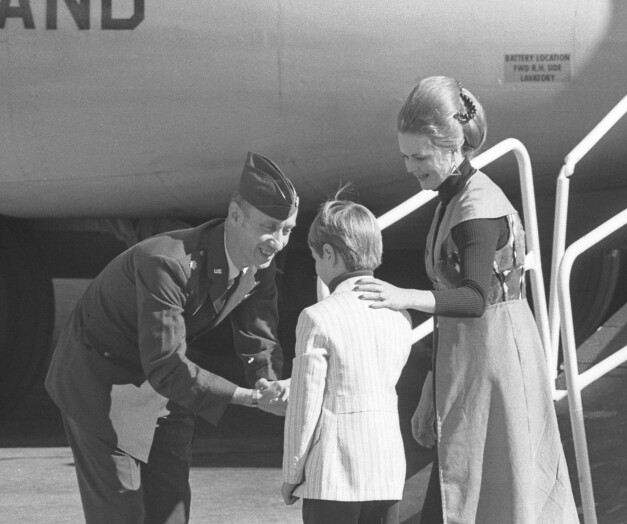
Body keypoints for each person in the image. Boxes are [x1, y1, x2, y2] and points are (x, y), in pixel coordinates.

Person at [354, 76, 579, 524]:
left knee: (492, 494)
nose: (410, 168)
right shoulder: (454, 198)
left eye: (419, 157)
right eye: (405, 156)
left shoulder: (476, 210)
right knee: (472, 491)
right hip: (476, 361)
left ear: (453, 147)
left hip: (495, 367)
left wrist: (402, 297)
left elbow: (474, 298)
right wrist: (430, 388)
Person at [45, 151, 296, 524]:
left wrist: (268, 382)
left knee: (171, 512)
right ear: (236, 215)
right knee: (121, 513)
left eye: (287, 230)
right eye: (269, 226)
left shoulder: (260, 264)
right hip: (100, 381)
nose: (277, 241)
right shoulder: (167, 263)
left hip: (163, 383)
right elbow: (166, 363)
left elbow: (257, 336)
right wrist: (249, 399)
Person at [280, 197, 413, 524]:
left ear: (329, 253)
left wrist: (292, 473)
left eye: (315, 257)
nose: (317, 266)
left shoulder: (317, 316)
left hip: (333, 474)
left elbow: (305, 405)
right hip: (387, 469)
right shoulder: (400, 315)